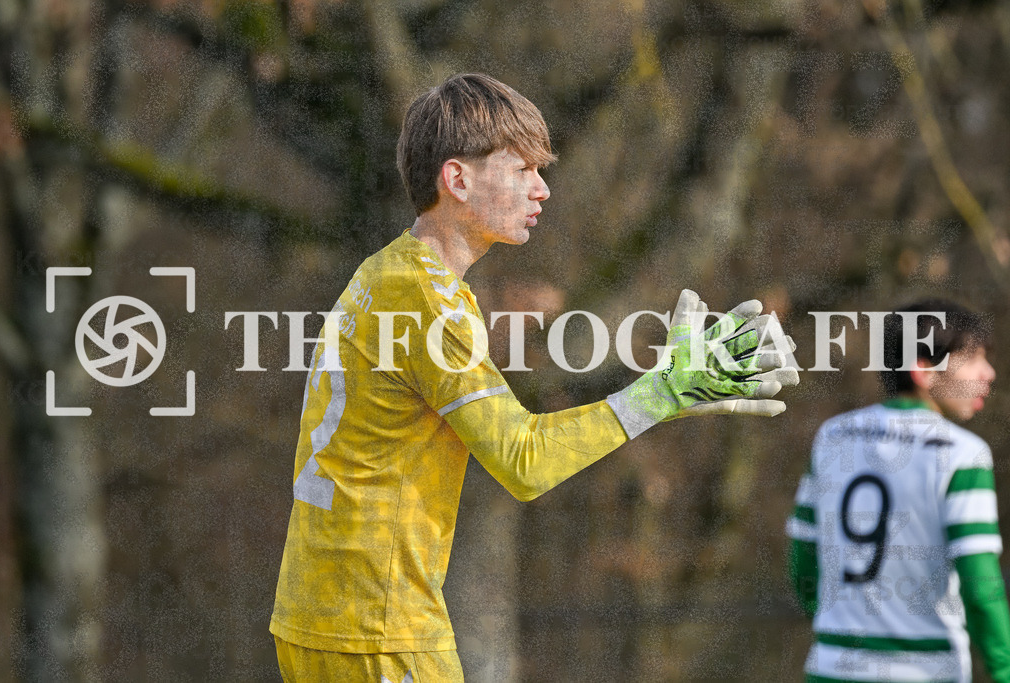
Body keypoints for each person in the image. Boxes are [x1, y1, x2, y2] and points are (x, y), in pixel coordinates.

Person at [270, 72, 798, 682]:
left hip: (317, 615)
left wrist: (664, 397)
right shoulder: (427, 300)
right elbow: (523, 461)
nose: (542, 189)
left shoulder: (387, 272)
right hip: (379, 631)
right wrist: (660, 394)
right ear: (457, 179)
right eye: (522, 170)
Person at [787, 299, 1010, 682]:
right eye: (973, 359)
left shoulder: (831, 438)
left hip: (832, 669)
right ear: (923, 370)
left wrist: (838, 626)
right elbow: (980, 586)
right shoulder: (962, 455)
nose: (989, 373)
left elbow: (803, 560)